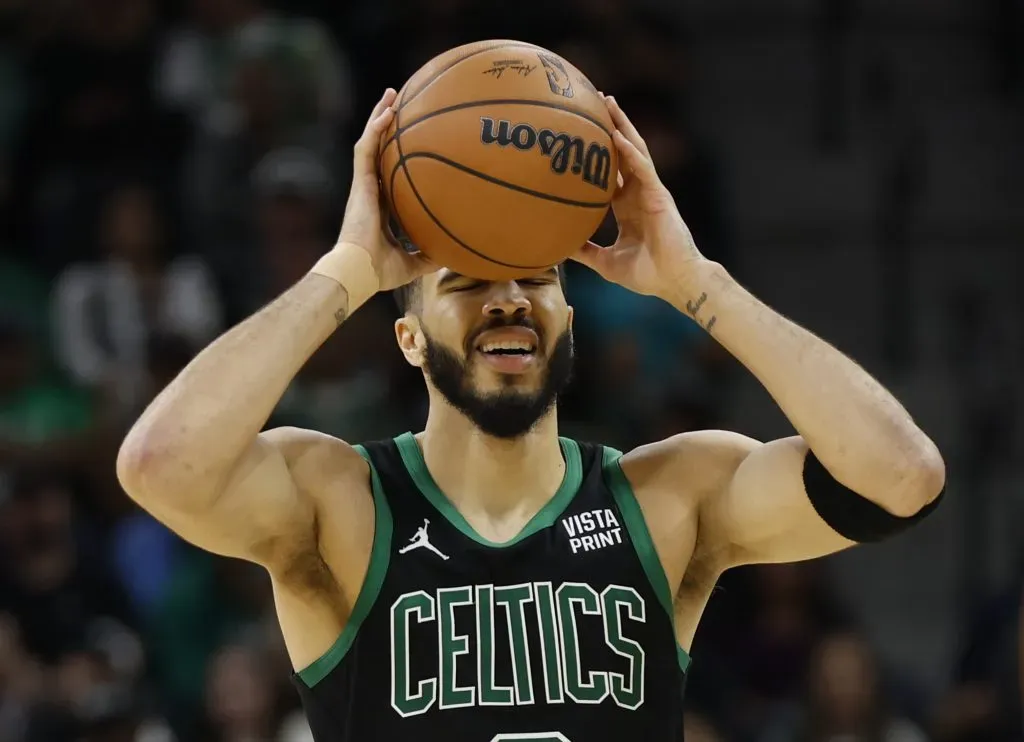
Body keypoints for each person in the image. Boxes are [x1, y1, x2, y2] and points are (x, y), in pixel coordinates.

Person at [116, 88, 946, 742]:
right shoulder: (343, 502)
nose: (508, 300)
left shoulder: (666, 498)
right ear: (407, 338)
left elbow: (898, 475)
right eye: (467, 283)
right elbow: (162, 464)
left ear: (569, 315)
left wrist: (701, 285)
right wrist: (343, 274)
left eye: (534, 280)